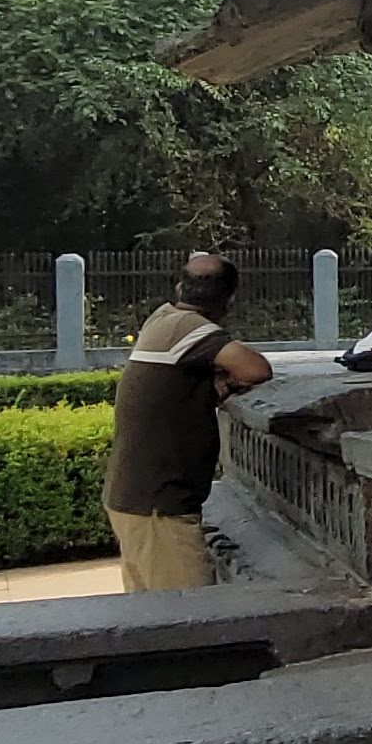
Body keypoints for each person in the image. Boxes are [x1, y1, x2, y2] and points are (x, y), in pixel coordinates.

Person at [104, 252, 274, 591]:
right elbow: (257, 369)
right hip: (159, 506)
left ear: (180, 287)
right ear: (230, 299)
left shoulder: (161, 319)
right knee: (191, 615)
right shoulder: (189, 329)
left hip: (135, 498)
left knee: (153, 619)